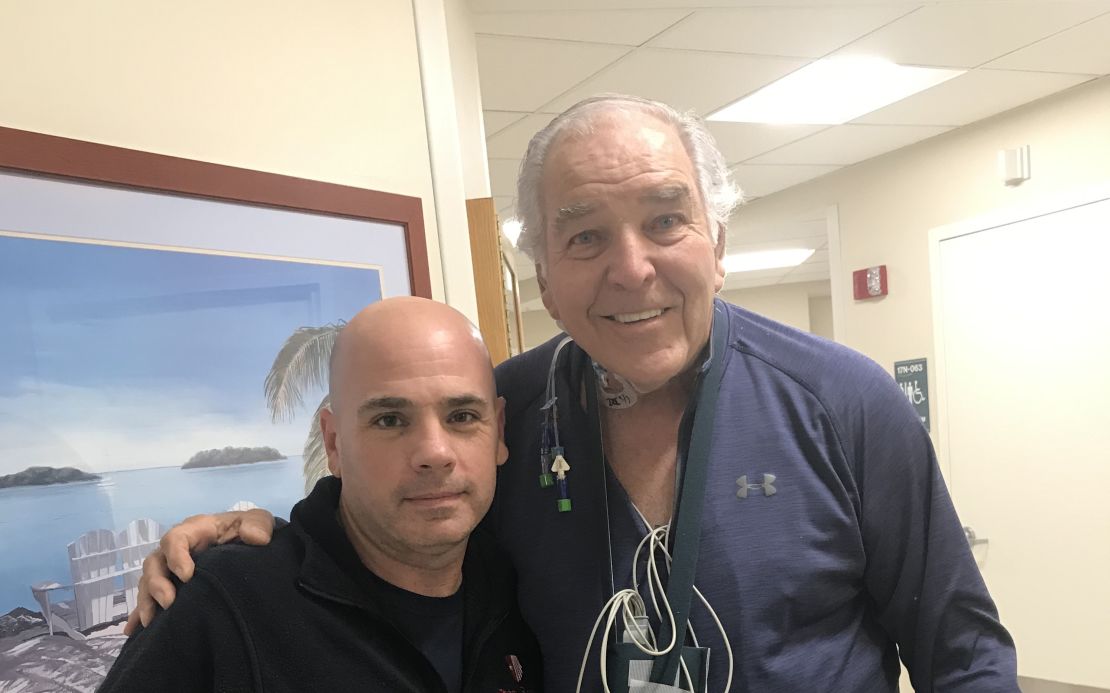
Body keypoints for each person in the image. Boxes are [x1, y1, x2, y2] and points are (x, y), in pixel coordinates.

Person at [130, 95, 1018, 692]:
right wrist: (247, 538)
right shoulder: (503, 410)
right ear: (546, 279)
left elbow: (965, 652)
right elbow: (391, 538)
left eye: (666, 220)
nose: (633, 269)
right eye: (586, 235)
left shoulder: (846, 405)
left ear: (718, 240)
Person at [101, 298, 541, 692]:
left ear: (498, 432)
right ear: (334, 444)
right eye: (389, 420)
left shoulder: (521, 585)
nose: (435, 453)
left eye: (462, 416)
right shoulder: (222, 606)